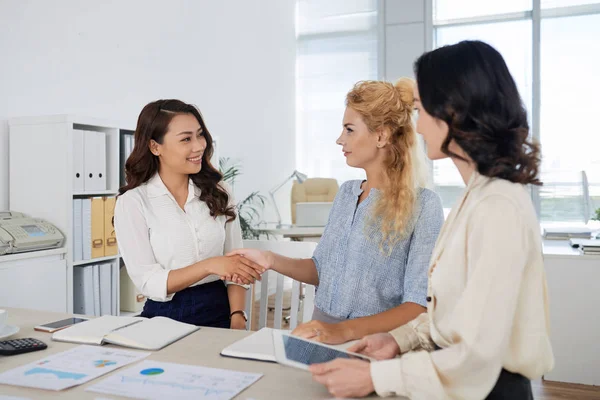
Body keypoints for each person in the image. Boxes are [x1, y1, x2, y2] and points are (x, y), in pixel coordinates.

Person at [308, 40, 554, 400]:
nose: (418, 127)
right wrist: (396, 339)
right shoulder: (475, 198)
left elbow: (477, 355)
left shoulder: (499, 208)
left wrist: (378, 378)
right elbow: (451, 315)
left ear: (452, 111)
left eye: (422, 109)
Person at [228, 79, 444, 344]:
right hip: (321, 332)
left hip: (376, 343)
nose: (340, 139)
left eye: (349, 129)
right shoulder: (346, 193)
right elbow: (321, 270)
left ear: (381, 135)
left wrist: (344, 332)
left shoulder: (424, 205)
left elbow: (417, 305)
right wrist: (269, 258)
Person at [114, 99, 265, 329]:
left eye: (200, 135)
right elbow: (148, 281)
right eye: (186, 139)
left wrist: (238, 316)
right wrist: (209, 265)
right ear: (155, 147)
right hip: (164, 317)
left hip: (221, 310)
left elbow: (236, 262)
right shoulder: (133, 202)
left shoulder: (219, 192)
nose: (199, 146)